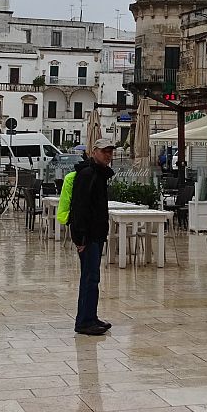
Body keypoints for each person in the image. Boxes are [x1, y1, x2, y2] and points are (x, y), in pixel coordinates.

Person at [70, 137, 117, 336]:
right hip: (88, 236)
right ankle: (84, 321)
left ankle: (91, 316)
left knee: (93, 278)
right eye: (104, 151)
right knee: (89, 278)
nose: (108, 155)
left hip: (96, 234)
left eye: (110, 151)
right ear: (94, 151)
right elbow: (79, 208)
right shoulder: (88, 174)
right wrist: (80, 238)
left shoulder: (99, 174)